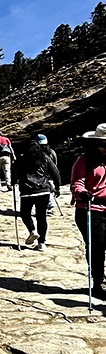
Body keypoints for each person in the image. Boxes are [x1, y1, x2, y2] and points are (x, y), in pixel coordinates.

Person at [70, 123, 106, 301]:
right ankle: (98, 282)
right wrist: (82, 193)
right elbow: (77, 182)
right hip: (90, 208)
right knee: (97, 246)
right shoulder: (83, 160)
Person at [15, 139, 60, 251]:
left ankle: (32, 230)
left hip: (27, 191)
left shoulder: (21, 159)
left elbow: (14, 173)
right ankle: (42, 243)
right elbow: (55, 172)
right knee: (41, 217)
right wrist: (57, 187)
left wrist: (12, 182)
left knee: (25, 214)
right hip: (43, 191)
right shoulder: (45, 158)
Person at [36, 133, 58, 214]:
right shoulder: (51, 152)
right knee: (50, 191)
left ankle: (44, 208)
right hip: (49, 174)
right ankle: (49, 208)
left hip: (40, 176)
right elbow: (55, 164)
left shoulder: (34, 153)